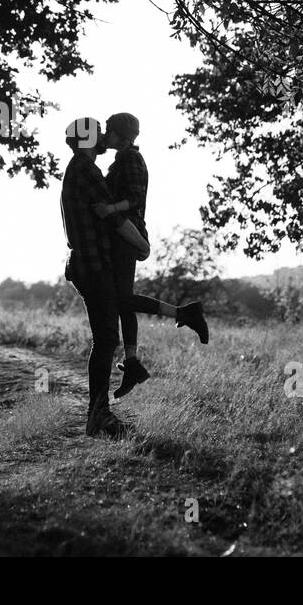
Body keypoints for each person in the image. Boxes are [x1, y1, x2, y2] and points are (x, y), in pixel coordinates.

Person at [100, 112, 208, 401]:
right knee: (124, 300)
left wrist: (110, 210)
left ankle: (185, 312)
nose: (105, 135)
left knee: (123, 299)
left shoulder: (130, 159)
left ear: (121, 135)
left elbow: (134, 197)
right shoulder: (122, 158)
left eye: (109, 131)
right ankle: (132, 364)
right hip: (120, 233)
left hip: (127, 232)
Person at [59, 117, 149, 438]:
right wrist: (142, 245)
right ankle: (99, 416)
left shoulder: (82, 168)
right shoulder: (86, 169)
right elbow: (115, 216)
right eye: (96, 131)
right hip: (93, 266)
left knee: (106, 338)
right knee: (106, 339)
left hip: (91, 265)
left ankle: (99, 414)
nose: (100, 136)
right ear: (85, 138)